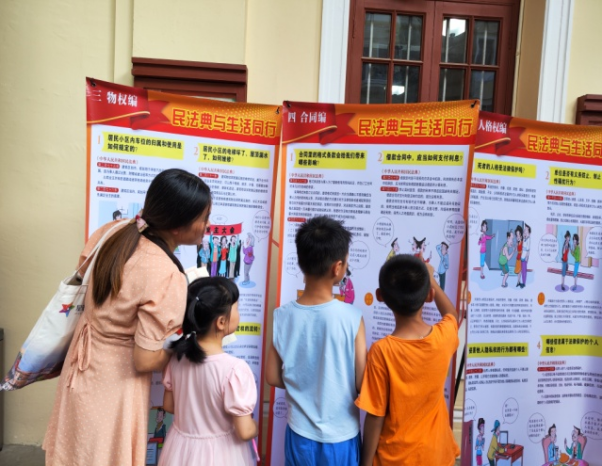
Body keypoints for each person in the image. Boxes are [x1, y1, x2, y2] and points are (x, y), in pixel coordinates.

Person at [43, 169, 212, 466]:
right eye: (204, 218)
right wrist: (185, 347)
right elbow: (145, 360)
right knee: (104, 455)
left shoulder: (113, 231)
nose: (207, 226)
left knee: (76, 450)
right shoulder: (165, 274)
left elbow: (84, 276)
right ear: (178, 226)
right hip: (114, 385)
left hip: (80, 367)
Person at [266, 215, 366, 465]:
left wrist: (302, 382)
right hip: (342, 436)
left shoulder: (282, 316)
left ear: (301, 261)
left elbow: (272, 377)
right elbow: (361, 382)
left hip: (300, 433)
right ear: (337, 268)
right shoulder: (353, 318)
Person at [356, 254, 459, 466]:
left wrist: (365, 463)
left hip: (394, 459)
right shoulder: (443, 337)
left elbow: (375, 416)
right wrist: (432, 281)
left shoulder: (381, 351)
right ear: (429, 296)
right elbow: (452, 315)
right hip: (436, 455)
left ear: (380, 296)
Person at [158, 277, 257, 466]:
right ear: (221, 322)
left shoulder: (177, 358)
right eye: (237, 308)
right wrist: (254, 427)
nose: (239, 313)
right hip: (220, 455)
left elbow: (169, 406)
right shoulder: (235, 370)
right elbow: (245, 431)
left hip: (180, 450)